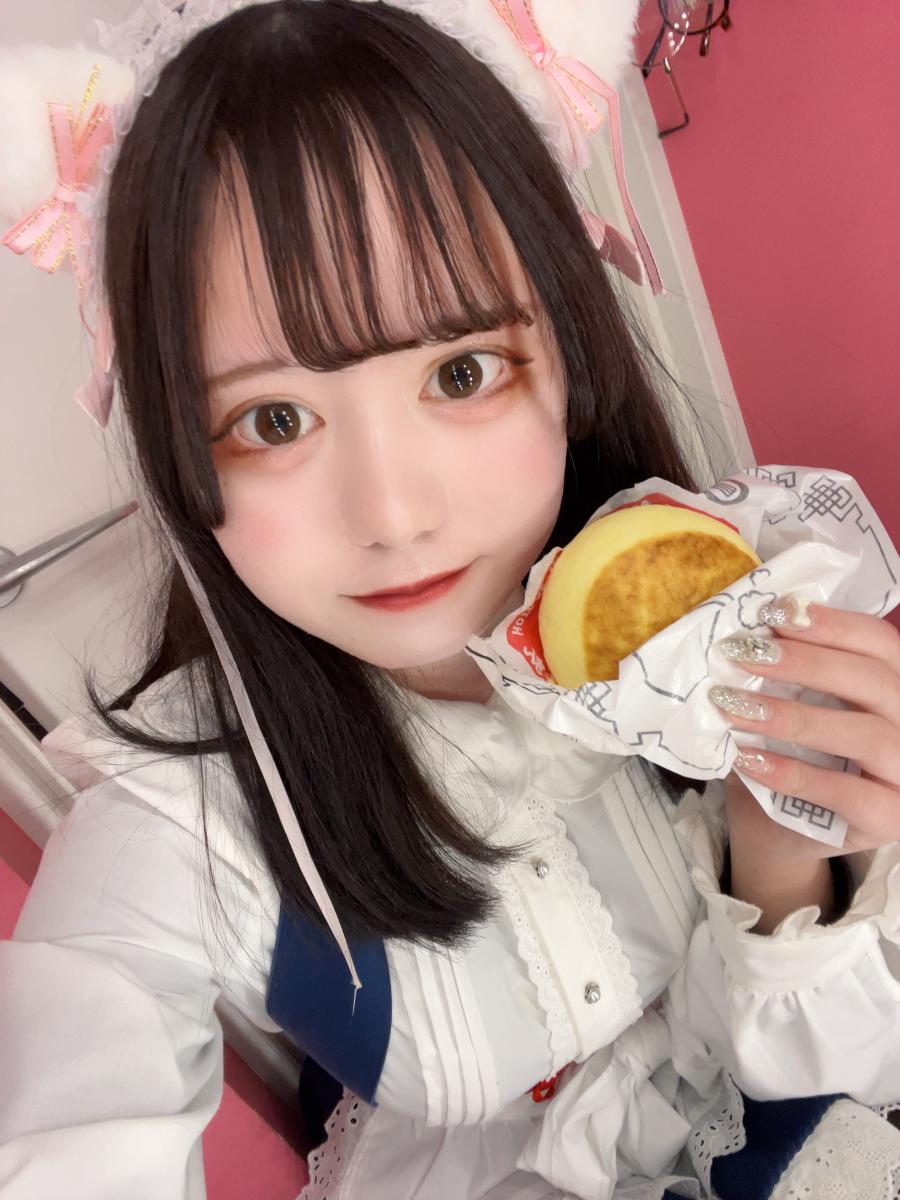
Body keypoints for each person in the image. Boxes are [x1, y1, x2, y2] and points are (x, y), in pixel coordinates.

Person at [1, 2, 899, 1197]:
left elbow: (799, 1079)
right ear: (176, 456)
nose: (394, 513)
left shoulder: (695, 606)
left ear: (569, 354)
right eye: (275, 420)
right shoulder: (176, 828)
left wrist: (782, 844)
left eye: (460, 371)